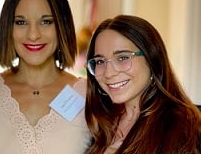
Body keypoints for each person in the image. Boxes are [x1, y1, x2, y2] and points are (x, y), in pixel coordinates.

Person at [0, 0, 91, 154]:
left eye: (46, 21)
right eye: (21, 22)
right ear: (8, 28)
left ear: (62, 26)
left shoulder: (88, 96)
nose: (33, 35)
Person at [84, 14, 201, 154]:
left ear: (152, 59)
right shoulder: (100, 121)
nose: (109, 73)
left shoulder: (184, 126)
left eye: (122, 58)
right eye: (100, 61)